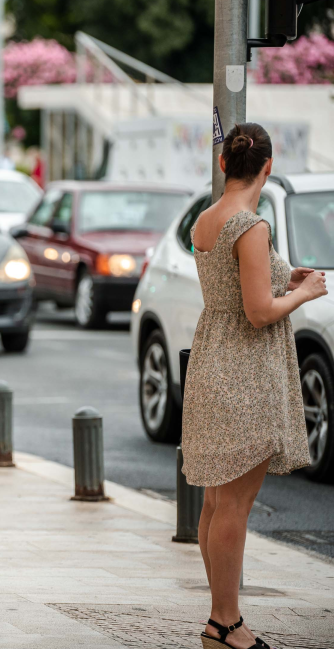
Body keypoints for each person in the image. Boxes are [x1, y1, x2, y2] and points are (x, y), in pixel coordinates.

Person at [183, 123, 325, 649]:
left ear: (224, 165)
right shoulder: (251, 225)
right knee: (235, 505)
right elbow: (259, 311)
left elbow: (237, 280)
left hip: (212, 362)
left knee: (216, 502)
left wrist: (287, 276)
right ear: (267, 167)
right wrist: (305, 293)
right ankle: (225, 622)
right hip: (245, 370)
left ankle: (221, 617)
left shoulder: (205, 219)